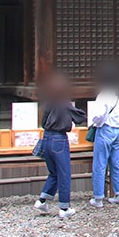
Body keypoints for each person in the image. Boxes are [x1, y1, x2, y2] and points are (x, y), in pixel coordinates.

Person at [34, 71, 86, 218]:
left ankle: (42, 200)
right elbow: (81, 117)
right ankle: (64, 208)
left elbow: (43, 122)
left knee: (54, 172)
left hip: (47, 138)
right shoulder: (65, 104)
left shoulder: (48, 103)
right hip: (59, 140)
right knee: (64, 174)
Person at [89, 61, 119, 208]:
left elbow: (98, 115)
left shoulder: (104, 94)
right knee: (117, 163)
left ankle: (98, 197)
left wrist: (94, 123)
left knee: (100, 164)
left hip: (105, 129)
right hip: (118, 131)